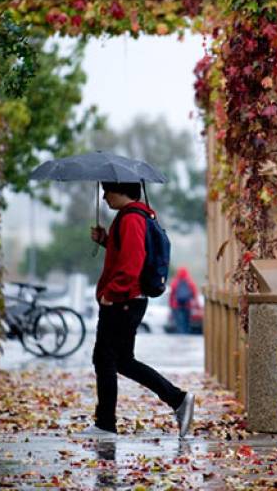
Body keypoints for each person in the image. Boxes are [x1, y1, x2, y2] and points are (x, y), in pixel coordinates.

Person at [85, 181, 194, 438]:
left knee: (105, 358)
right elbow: (128, 254)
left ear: (120, 190)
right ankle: (178, 400)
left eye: (107, 191)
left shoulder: (131, 218)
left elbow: (133, 262)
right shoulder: (134, 216)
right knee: (121, 360)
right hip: (129, 299)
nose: (103, 197)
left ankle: (105, 424)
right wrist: (106, 241)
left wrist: (111, 294)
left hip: (123, 300)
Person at [169, 267, 197, 334]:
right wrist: (195, 303)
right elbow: (194, 293)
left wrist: (170, 304)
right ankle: (186, 335)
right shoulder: (190, 281)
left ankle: (180, 336)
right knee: (186, 322)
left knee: (179, 322)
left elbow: (171, 294)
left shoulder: (175, 282)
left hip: (176, 305)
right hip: (187, 305)